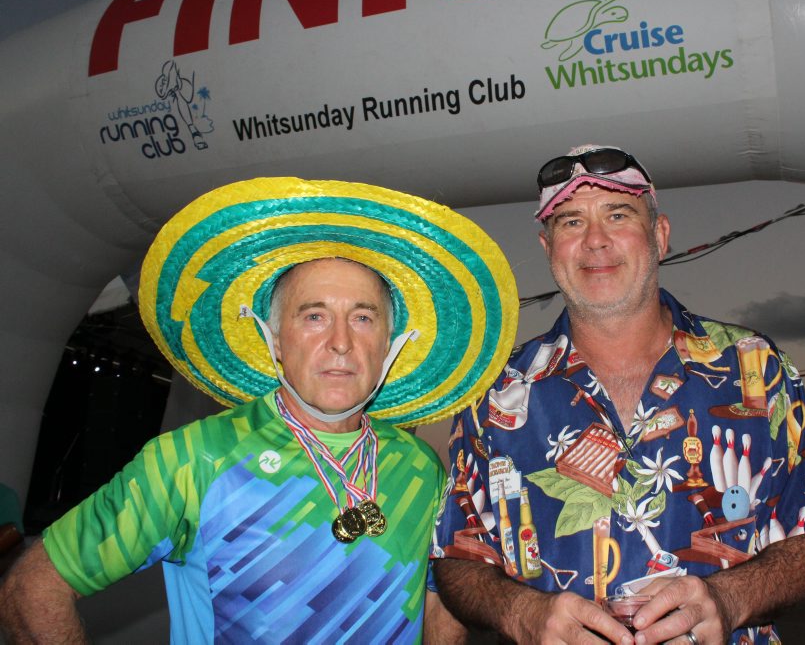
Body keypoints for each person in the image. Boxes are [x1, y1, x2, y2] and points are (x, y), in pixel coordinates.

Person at [0, 178, 518, 644]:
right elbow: (32, 588)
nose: (341, 343)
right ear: (273, 340)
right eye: (314, 316)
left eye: (363, 318)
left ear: (390, 344)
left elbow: (433, 595)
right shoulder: (196, 458)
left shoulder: (420, 468)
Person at [431, 146, 805, 644]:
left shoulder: (752, 365)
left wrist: (730, 598)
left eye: (618, 214)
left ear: (660, 235)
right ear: (548, 248)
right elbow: (458, 558)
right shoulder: (496, 393)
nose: (595, 241)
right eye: (570, 222)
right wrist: (522, 611)